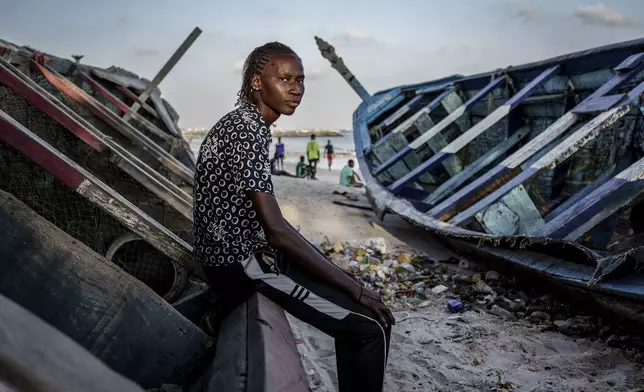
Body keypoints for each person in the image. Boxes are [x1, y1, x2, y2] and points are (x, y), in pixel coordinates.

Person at [193, 42, 394, 392]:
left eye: (300, 80)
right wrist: (355, 287)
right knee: (369, 327)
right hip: (241, 266)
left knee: (369, 314)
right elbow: (276, 230)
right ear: (257, 83)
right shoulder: (246, 129)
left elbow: (275, 230)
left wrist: (346, 281)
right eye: (285, 79)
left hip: (251, 256)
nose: (296, 89)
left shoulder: (247, 123)